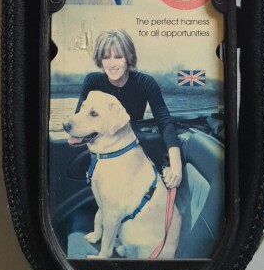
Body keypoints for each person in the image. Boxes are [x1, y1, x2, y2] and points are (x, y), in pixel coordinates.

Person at [75, 29, 183, 188]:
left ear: (128, 57)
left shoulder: (146, 83)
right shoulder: (92, 81)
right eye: (106, 57)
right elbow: (79, 119)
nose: (112, 64)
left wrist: (176, 164)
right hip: (103, 152)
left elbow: (164, 121)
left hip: (133, 149)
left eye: (118, 57)